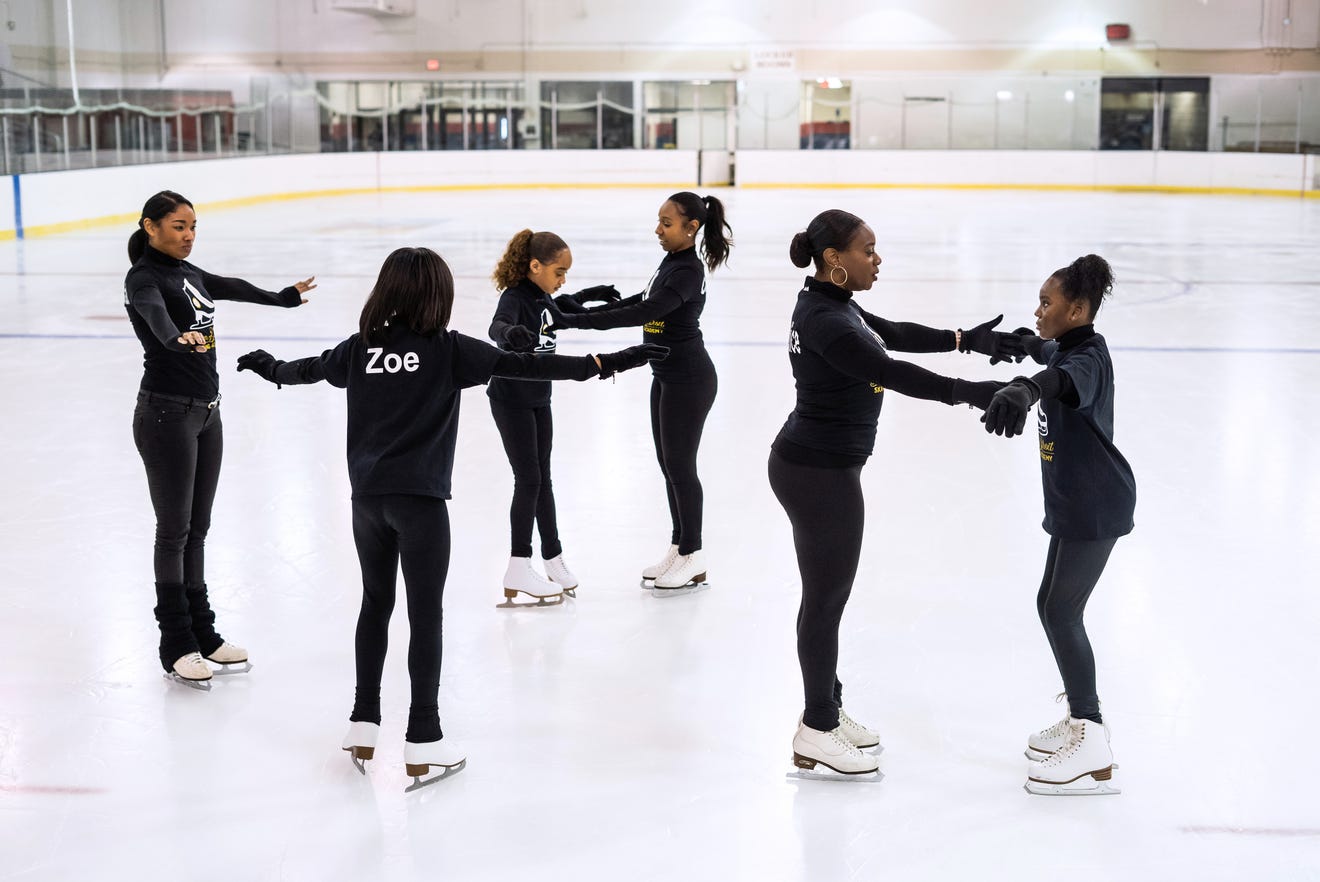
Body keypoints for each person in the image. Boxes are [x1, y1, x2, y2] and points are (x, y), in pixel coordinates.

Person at [234, 246, 664, 788]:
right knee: (425, 616)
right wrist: (607, 363)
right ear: (438, 295)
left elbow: (306, 370)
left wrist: (267, 367)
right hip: (420, 505)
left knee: (375, 605)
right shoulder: (449, 349)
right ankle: (424, 736)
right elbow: (528, 366)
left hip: (367, 503)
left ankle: (363, 722)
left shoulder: (360, 348)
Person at [767, 209, 1024, 777]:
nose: (876, 259)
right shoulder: (826, 320)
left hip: (818, 465)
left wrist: (968, 339)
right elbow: (892, 370)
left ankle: (825, 708)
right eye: (867, 250)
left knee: (826, 598)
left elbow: (896, 333)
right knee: (825, 601)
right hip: (818, 473)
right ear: (834, 258)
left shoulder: (831, 303)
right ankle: (817, 728)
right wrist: (976, 392)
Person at [124, 189, 314, 690]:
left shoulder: (189, 273)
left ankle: (203, 633)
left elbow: (231, 286)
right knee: (174, 531)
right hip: (166, 414)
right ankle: (176, 643)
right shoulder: (144, 278)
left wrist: (282, 297)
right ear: (150, 227)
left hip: (207, 414)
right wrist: (174, 337)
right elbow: (153, 313)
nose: (188, 235)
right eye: (178, 226)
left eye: (193, 227)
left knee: (198, 529)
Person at [981, 254, 1136, 795]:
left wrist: (1025, 389)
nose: (1038, 310)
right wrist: (1015, 342)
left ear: (1077, 310)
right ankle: (1079, 718)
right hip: (1076, 503)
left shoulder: (1088, 359)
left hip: (1097, 505)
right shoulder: (1067, 345)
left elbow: (1061, 379)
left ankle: (1092, 739)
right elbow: (1045, 351)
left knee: (1063, 611)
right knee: (1051, 605)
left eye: (1047, 304)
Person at [551, 192, 732, 592]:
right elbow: (643, 300)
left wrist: (576, 322)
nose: (658, 230)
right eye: (659, 222)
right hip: (666, 375)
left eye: (666, 224)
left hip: (689, 379)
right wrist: (580, 312)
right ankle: (680, 547)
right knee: (669, 465)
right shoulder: (672, 262)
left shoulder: (688, 270)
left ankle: (694, 553)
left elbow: (644, 313)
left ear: (691, 227)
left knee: (681, 467)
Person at [486, 229, 621, 602]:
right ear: (535, 266)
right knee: (528, 479)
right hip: (510, 399)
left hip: (538, 397)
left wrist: (589, 295)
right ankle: (518, 564)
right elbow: (496, 326)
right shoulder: (514, 298)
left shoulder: (542, 296)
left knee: (542, 479)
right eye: (559, 272)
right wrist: (509, 333)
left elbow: (560, 308)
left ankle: (553, 556)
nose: (563, 280)